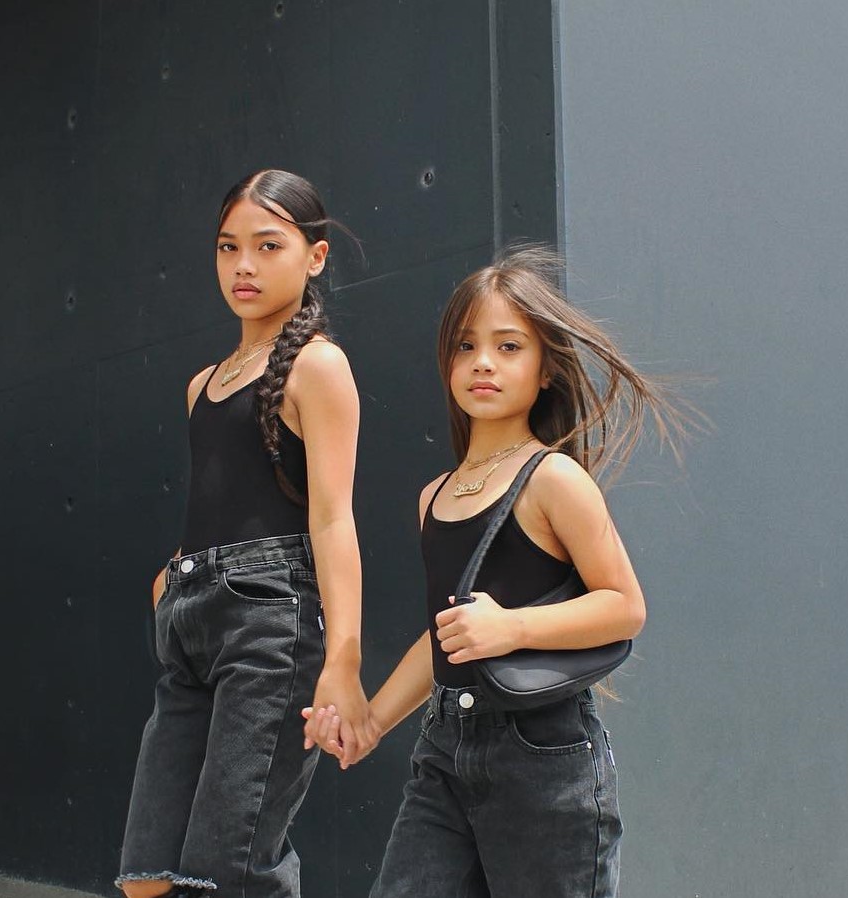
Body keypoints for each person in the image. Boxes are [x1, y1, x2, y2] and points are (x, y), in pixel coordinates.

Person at [304, 246, 689, 897]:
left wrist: (510, 627)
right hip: (445, 752)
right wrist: (369, 723)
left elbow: (625, 606)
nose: (482, 362)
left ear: (544, 371)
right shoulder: (434, 497)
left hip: (541, 758)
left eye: (509, 346)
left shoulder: (553, 479)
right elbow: (443, 636)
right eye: (466, 346)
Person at [116, 169, 377, 898]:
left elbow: (331, 517)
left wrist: (344, 662)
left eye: (268, 246)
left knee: (226, 872)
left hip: (270, 624)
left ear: (314, 256)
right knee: (146, 875)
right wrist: (175, 575)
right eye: (229, 248)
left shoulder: (318, 366)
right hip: (192, 623)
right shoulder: (203, 384)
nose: (245, 267)